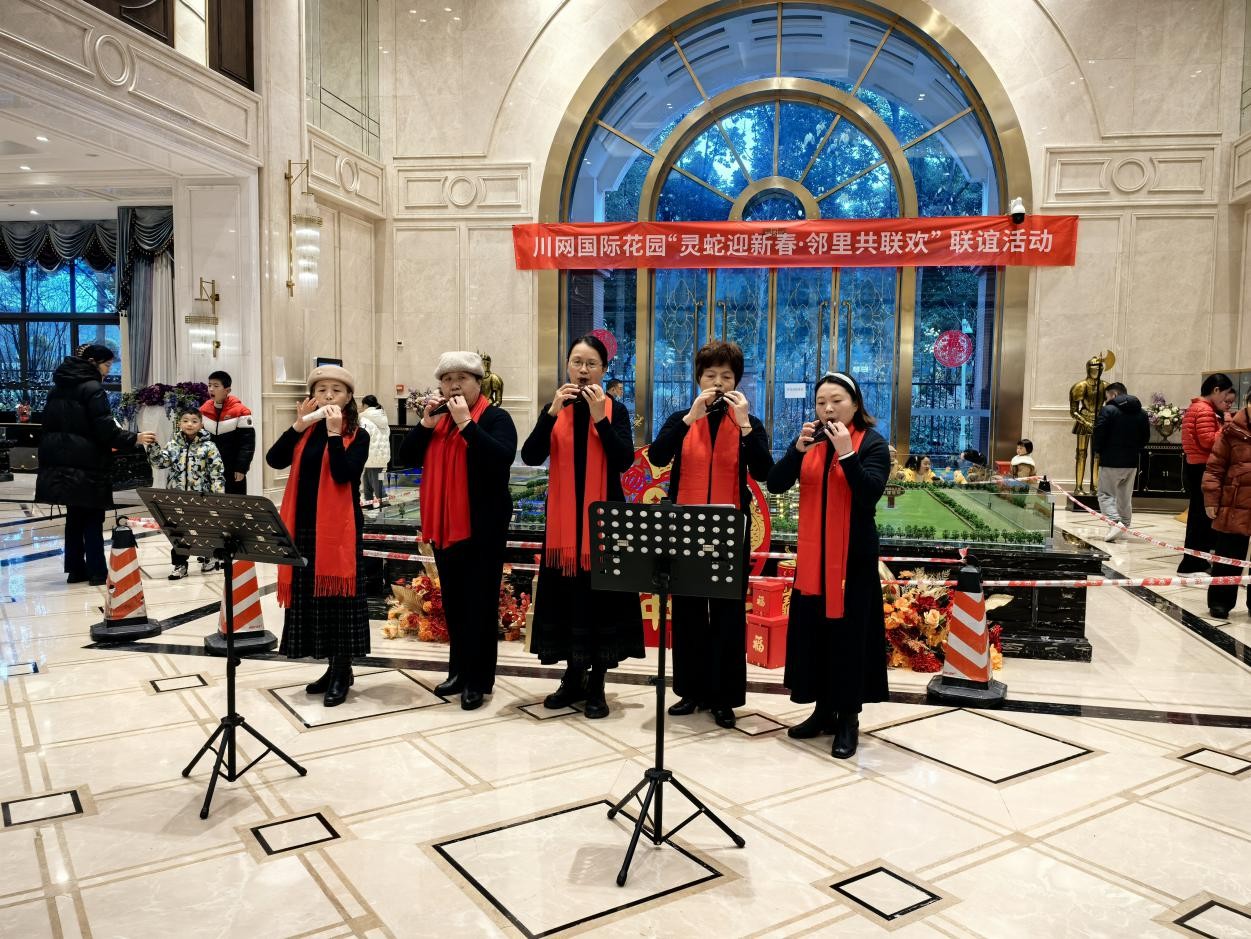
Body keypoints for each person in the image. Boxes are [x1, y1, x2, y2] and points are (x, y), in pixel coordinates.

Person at [647, 340, 773, 729]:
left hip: (730, 530)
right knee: (687, 612)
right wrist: (690, 418)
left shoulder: (748, 423)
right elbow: (657, 457)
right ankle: (691, 690)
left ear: (737, 381)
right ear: (698, 379)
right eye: (710, 375)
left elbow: (765, 471)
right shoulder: (681, 418)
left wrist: (746, 424)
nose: (718, 383)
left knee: (726, 614)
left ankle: (723, 697)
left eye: (726, 376)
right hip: (684, 528)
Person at [767, 373, 890, 759]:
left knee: (849, 637)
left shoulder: (872, 443)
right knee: (815, 633)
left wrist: (847, 454)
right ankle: (822, 711)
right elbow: (775, 483)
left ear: (855, 404)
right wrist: (796, 451)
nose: (828, 408)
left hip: (852, 561)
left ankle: (848, 718)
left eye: (837, 400)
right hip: (813, 559)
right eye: (821, 402)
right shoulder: (812, 442)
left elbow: (869, 494)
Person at [522, 334, 643, 719]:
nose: (583, 370)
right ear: (567, 366)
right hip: (562, 528)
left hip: (603, 526)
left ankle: (598, 685)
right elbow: (531, 455)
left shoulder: (616, 410)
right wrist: (551, 414)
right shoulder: (555, 408)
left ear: (604, 370)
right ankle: (572, 677)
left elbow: (623, 460)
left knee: (600, 603)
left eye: (592, 364)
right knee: (567, 600)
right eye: (577, 362)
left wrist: (599, 418)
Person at [400, 352, 516, 710]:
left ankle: (478, 680)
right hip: (444, 525)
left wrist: (467, 424)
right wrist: (424, 425)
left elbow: (501, 459)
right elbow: (404, 459)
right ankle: (458, 671)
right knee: (454, 601)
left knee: (480, 604)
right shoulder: (438, 419)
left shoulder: (495, 417)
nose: (453, 386)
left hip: (483, 527)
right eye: (447, 379)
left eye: (461, 379)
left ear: (478, 383)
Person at [265, 365, 370, 708]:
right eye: (321, 389)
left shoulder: (359, 435)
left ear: (349, 397)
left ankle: (342, 670)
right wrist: (298, 425)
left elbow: (343, 474)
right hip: (302, 527)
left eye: (336, 390)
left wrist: (335, 435)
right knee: (313, 600)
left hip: (339, 531)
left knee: (339, 601)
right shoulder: (306, 430)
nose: (328, 395)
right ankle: (331, 666)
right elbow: (274, 459)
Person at [36, 343, 156, 585]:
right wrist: (134, 438)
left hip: (61, 463)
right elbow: (105, 429)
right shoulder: (92, 388)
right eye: (107, 364)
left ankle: (75, 570)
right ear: (92, 362)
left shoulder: (57, 388)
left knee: (74, 519)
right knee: (92, 518)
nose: (108, 370)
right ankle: (97, 572)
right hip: (88, 463)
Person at [147, 408, 225, 579]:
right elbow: (159, 463)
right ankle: (180, 564)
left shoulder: (209, 447)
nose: (190, 424)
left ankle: (209, 557)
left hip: (201, 498)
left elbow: (217, 474)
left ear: (201, 424)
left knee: (204, 529)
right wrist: (152, 446)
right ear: (179, 423)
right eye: (185, 420)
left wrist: (217, 498)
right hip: (178, 499)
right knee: (178, 532)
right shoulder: (173, 445)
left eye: (194, 421)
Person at [1179, 373, 1235, 573]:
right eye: (1226, 394)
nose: (1226, 400)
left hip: (1196, 466)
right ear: (1216, 390)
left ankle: (1196, 560)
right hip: (1201, 466)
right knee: (1201, 518)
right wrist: (1226, 426)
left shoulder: (1198, 407)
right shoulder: (1203, 409)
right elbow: (1208, 441)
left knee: (1199, 516)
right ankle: (1193, 562)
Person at [1203, 391, 1251, 618]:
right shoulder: (1231, 431)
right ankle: (1220, 602)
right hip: (1234, 503)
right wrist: (1211, 499)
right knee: (1228, 555)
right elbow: (1214, 468)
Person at [1092, 381, 1149, 542]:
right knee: (1124, 496)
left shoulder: (1108, 410)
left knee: (1105, 495)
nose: (1106, 400)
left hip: (1110, 460)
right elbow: (1145, 437)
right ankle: (1125, 524)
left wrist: (1097, 450)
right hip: (1131, 462)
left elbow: (1100, 432)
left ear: (1114, 394)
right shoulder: (1142, 412)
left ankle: (1115, 523)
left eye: (1107, 397)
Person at [200, 370, 255, 495]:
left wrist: (241, 468)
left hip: (232, 468)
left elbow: (247, 444)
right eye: (209, 385)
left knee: (234, 502)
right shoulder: (204, 410)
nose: (211, 389)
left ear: (227, 390)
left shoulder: (242, 412)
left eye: (216, 386)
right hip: (209, 467)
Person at [358, 395, 391, 510]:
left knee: (376, 482)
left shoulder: (364, 419)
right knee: (368, 479)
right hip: (381, 455)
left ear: (365, 405)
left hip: (371, 455)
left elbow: (363, 436)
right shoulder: (383, 418)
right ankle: (368, 503)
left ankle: (385, 503)